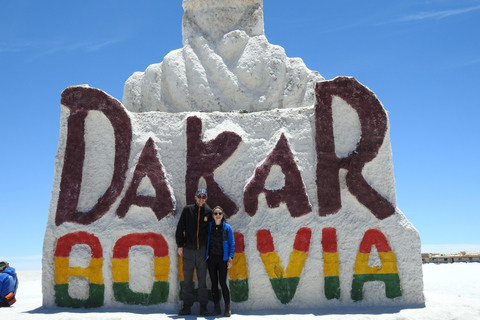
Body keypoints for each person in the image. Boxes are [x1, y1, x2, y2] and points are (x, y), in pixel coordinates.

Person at [175, 188, 212, 316]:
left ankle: (203, 306)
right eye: (199, 196)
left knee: (202, 280)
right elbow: (180, 228)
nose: (201, 198)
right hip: (188, 250)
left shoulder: (209, 212)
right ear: (195, 197)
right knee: (187, 280)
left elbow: (213, 231)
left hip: (202, 251)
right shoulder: (187, 210)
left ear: (206, 198)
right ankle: (187, 305)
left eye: (204, 196)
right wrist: (180, 245)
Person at [206, 206, 235, 317]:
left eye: (220, 213)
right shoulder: (209, 227)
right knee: (214, 283)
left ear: (223, 215)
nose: (218, 215)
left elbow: (231, 244)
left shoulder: (227, 228)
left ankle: (227, 308)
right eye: (216, 213)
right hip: (211, 259)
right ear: (213, 216)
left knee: (222, 282)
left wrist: (230, 258)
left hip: (223, 259)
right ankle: (216, 307)